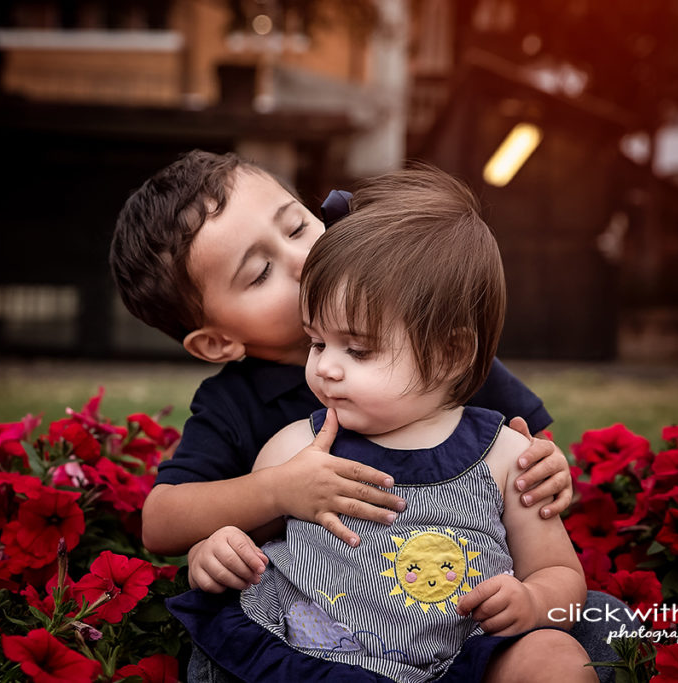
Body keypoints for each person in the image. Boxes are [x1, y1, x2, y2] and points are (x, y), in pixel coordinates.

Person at [109, 151, 630, 681]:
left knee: (587, 632)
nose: (301, 257)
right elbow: (163, 521)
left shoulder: (428, 340)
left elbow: (530, 447)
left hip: (458, 629)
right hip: (317, 634)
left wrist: (546, 469)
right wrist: (274, 492)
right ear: (219, 341)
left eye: (296, 226)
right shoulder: (239, 405)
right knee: (229, 640)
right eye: (261, 271)